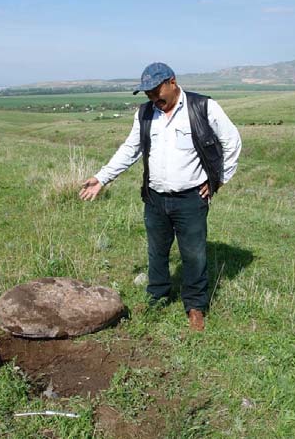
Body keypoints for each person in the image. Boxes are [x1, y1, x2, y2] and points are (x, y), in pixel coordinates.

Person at [79, 62, 241, 331]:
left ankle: (195, 307)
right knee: (157, 251)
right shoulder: (144, 113)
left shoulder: (203, 107)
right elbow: (130, 150)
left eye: (157, 91)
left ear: (172, 82)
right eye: (148, 94)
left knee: (194, 255)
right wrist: (102, 177)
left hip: (190, 198)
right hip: (154, 198)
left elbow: (232, 142)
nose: (154, 99)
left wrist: (218, 180)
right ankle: (158, 296)